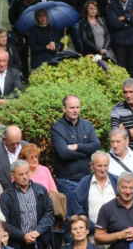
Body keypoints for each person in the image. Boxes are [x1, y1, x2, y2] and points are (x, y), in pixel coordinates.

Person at [50, 95, 100, 223]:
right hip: (67, 180)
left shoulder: (87, 125)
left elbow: (96, 145)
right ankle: (70, 243)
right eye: (72, 107)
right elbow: (64, 153)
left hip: (85, 177)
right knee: (71, 218)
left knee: (88, 214)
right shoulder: (57, 128)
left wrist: (77, 146)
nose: (75, 110)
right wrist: (85, 152)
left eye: (77, 107)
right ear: (64, 108)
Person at [0, 160, 55, 249]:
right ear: (12, 175)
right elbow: (5, 223)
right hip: (18, 243)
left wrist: (38, 231)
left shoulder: (40, 189)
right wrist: (23, 236)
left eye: (27, 173)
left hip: (41, 240)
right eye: (21, 174)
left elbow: (49, 213)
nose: (25, 177)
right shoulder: (6, 196)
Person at [71, 151, 118, 242]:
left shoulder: (117, 181)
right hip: (92, 237)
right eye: (99, 166)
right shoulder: (83, 184)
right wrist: (94, 228)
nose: (103, 169)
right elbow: (79, 212)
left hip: (115, 236)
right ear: (91, 165)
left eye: (105, 165)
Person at [0, 126, 28, 190]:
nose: (15, 146)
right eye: (12, 144)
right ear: (4, 139)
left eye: (18, 143)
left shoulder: (26, 146)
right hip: (3, 193)